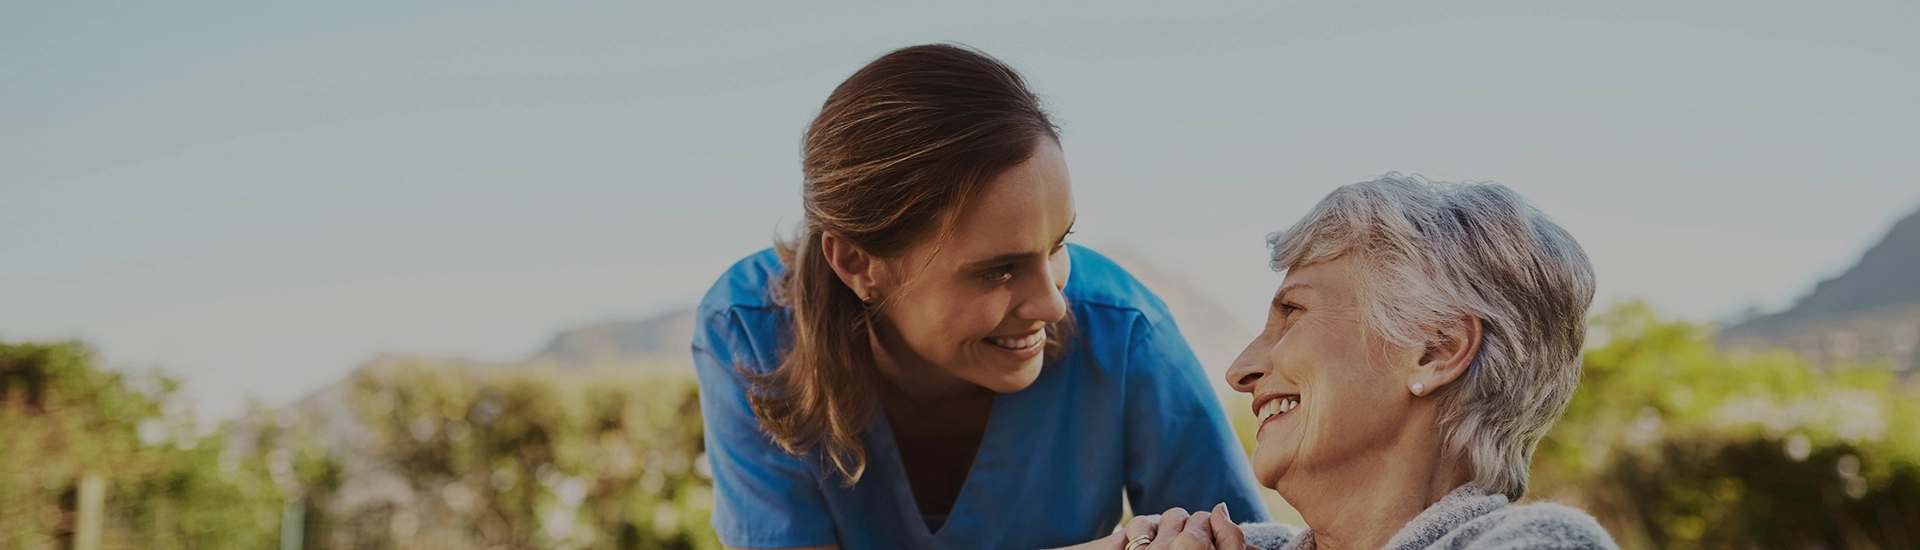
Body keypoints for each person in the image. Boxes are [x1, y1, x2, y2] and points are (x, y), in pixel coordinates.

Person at [691, 44, 1268, 550]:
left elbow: (1241, 541)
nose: (1052, 306)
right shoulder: (749, 333)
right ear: (857, 263)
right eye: (999, 270)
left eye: (1057, 245)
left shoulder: (1124, 329)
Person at [1111, 175, 1617, 550]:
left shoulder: (1537, 543)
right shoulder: (1225, 543)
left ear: (1434, 350)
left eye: (1293, 312)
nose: (1239, 370)